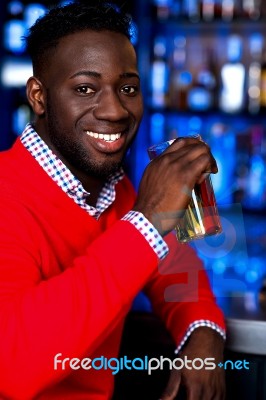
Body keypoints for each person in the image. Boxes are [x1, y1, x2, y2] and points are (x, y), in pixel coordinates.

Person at [0, 1, 226, 399]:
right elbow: (11, 368)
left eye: (127, 88)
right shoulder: (7, 192)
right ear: (39, 97)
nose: (115, 110)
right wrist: (148, 220)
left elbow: (178, 275)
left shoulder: (115, 190)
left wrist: (203, 335)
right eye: (85, 88)